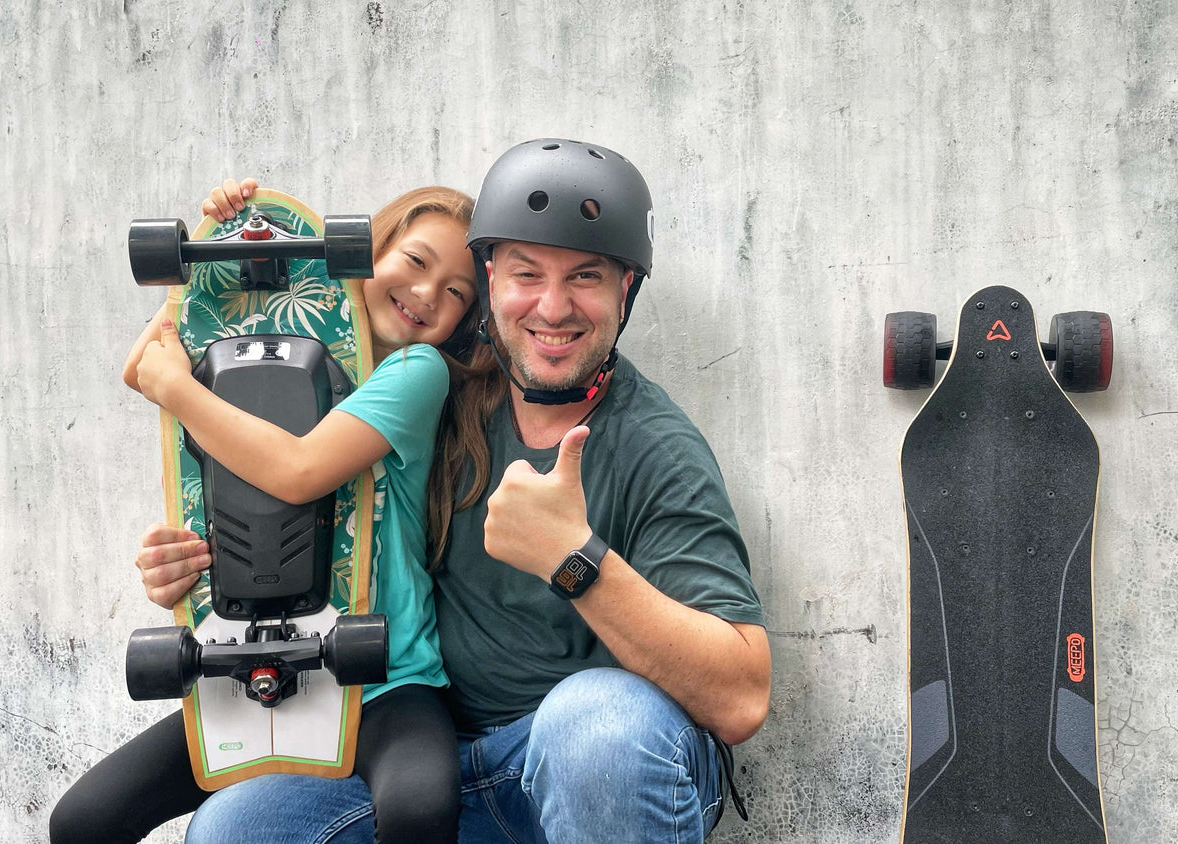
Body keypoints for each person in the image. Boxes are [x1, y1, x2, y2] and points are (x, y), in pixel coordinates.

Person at [136, 139, 772, 843]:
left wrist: (575, 559)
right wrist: (239, 227)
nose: (553, 307)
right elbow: (286, 344)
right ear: (491, 281)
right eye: (527, 274)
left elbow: (741, 697)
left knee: (594, 723)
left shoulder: (657, 447)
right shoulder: (435, 391)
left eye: (585, 277)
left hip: (589, 767)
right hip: (434, 759)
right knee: (237, 827)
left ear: (625, 291)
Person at [50, 182, 484, 844]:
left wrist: (177, 390)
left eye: (458, 291)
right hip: (250, 672)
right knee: (82, 822)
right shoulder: (252, 360)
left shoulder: (415, 371)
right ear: (365, 253)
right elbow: (145, 363)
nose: (429, 295)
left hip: (388, 683)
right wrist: (223, 240)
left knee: (420, 806)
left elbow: (298, 470)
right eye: (418, 262)